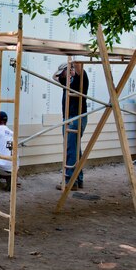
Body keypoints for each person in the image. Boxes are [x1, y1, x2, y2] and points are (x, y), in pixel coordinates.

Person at [54, 62, 89, 190]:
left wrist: (71, 65)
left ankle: (70, 182)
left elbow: (79, 65)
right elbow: (55, 77)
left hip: (75, 118)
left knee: (70, 149)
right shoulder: (68, 81)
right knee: (76, 149)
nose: (62, 76)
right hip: (71, 118)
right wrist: (64, 73)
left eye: (63, 73)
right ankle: (78, 179)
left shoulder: (80, 78)